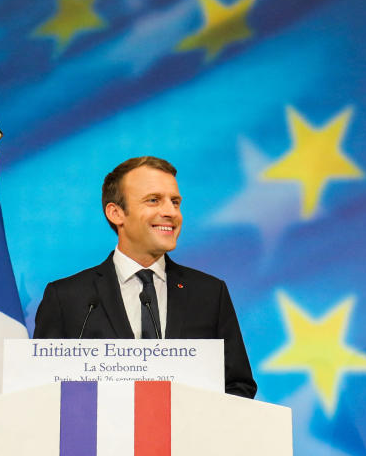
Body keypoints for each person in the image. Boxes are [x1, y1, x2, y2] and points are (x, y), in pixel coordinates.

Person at [33, 156, 256, 399]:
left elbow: (238, 387)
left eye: (175, 202)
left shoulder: (209, 294)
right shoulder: (68, 299)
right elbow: (43, 391)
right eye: (154, 200)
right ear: (116, 213)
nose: (170, 212)